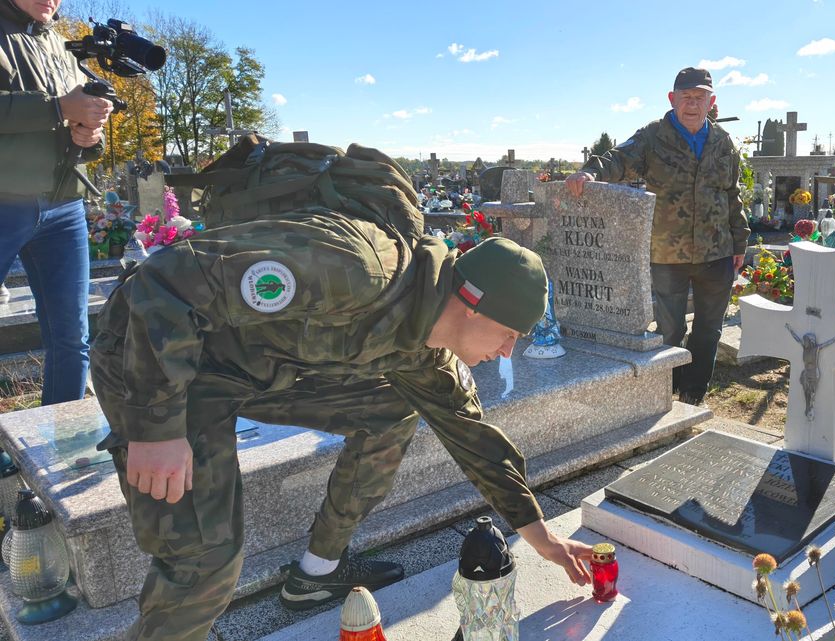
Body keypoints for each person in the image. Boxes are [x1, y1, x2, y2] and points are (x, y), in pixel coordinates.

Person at [90, 148, 593, 641]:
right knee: (204, 562)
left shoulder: (427, 349)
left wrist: (542, 537)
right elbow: (168, 280)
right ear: (473, 304)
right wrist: (156, 428)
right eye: (509, 334)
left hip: (250, 368)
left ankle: (318, 570)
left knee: (393, 409)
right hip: (156, 359)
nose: (507, 352)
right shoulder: (356, 269)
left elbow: (475, 438)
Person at [566, 67, 748, 405]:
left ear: (711, 102)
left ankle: (693, 395)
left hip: (717, 251)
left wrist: (740, 243)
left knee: (709, 330)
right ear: (672, 99)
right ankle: (665, 392)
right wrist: (590, 173)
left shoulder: (723, 142)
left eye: (700, 97)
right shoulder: (653, 136)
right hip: (668, 253)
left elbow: (732, 195)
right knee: (670, 330)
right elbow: (618, 158)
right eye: (686, 97)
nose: (692, 104)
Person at [1, 0, 113, 403]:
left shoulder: (62, 46)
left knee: (72, 337)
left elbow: (80, 128)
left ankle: (63, 436)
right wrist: (59, 107)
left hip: (64, 206)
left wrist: (90, 137)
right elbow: (58, 109)